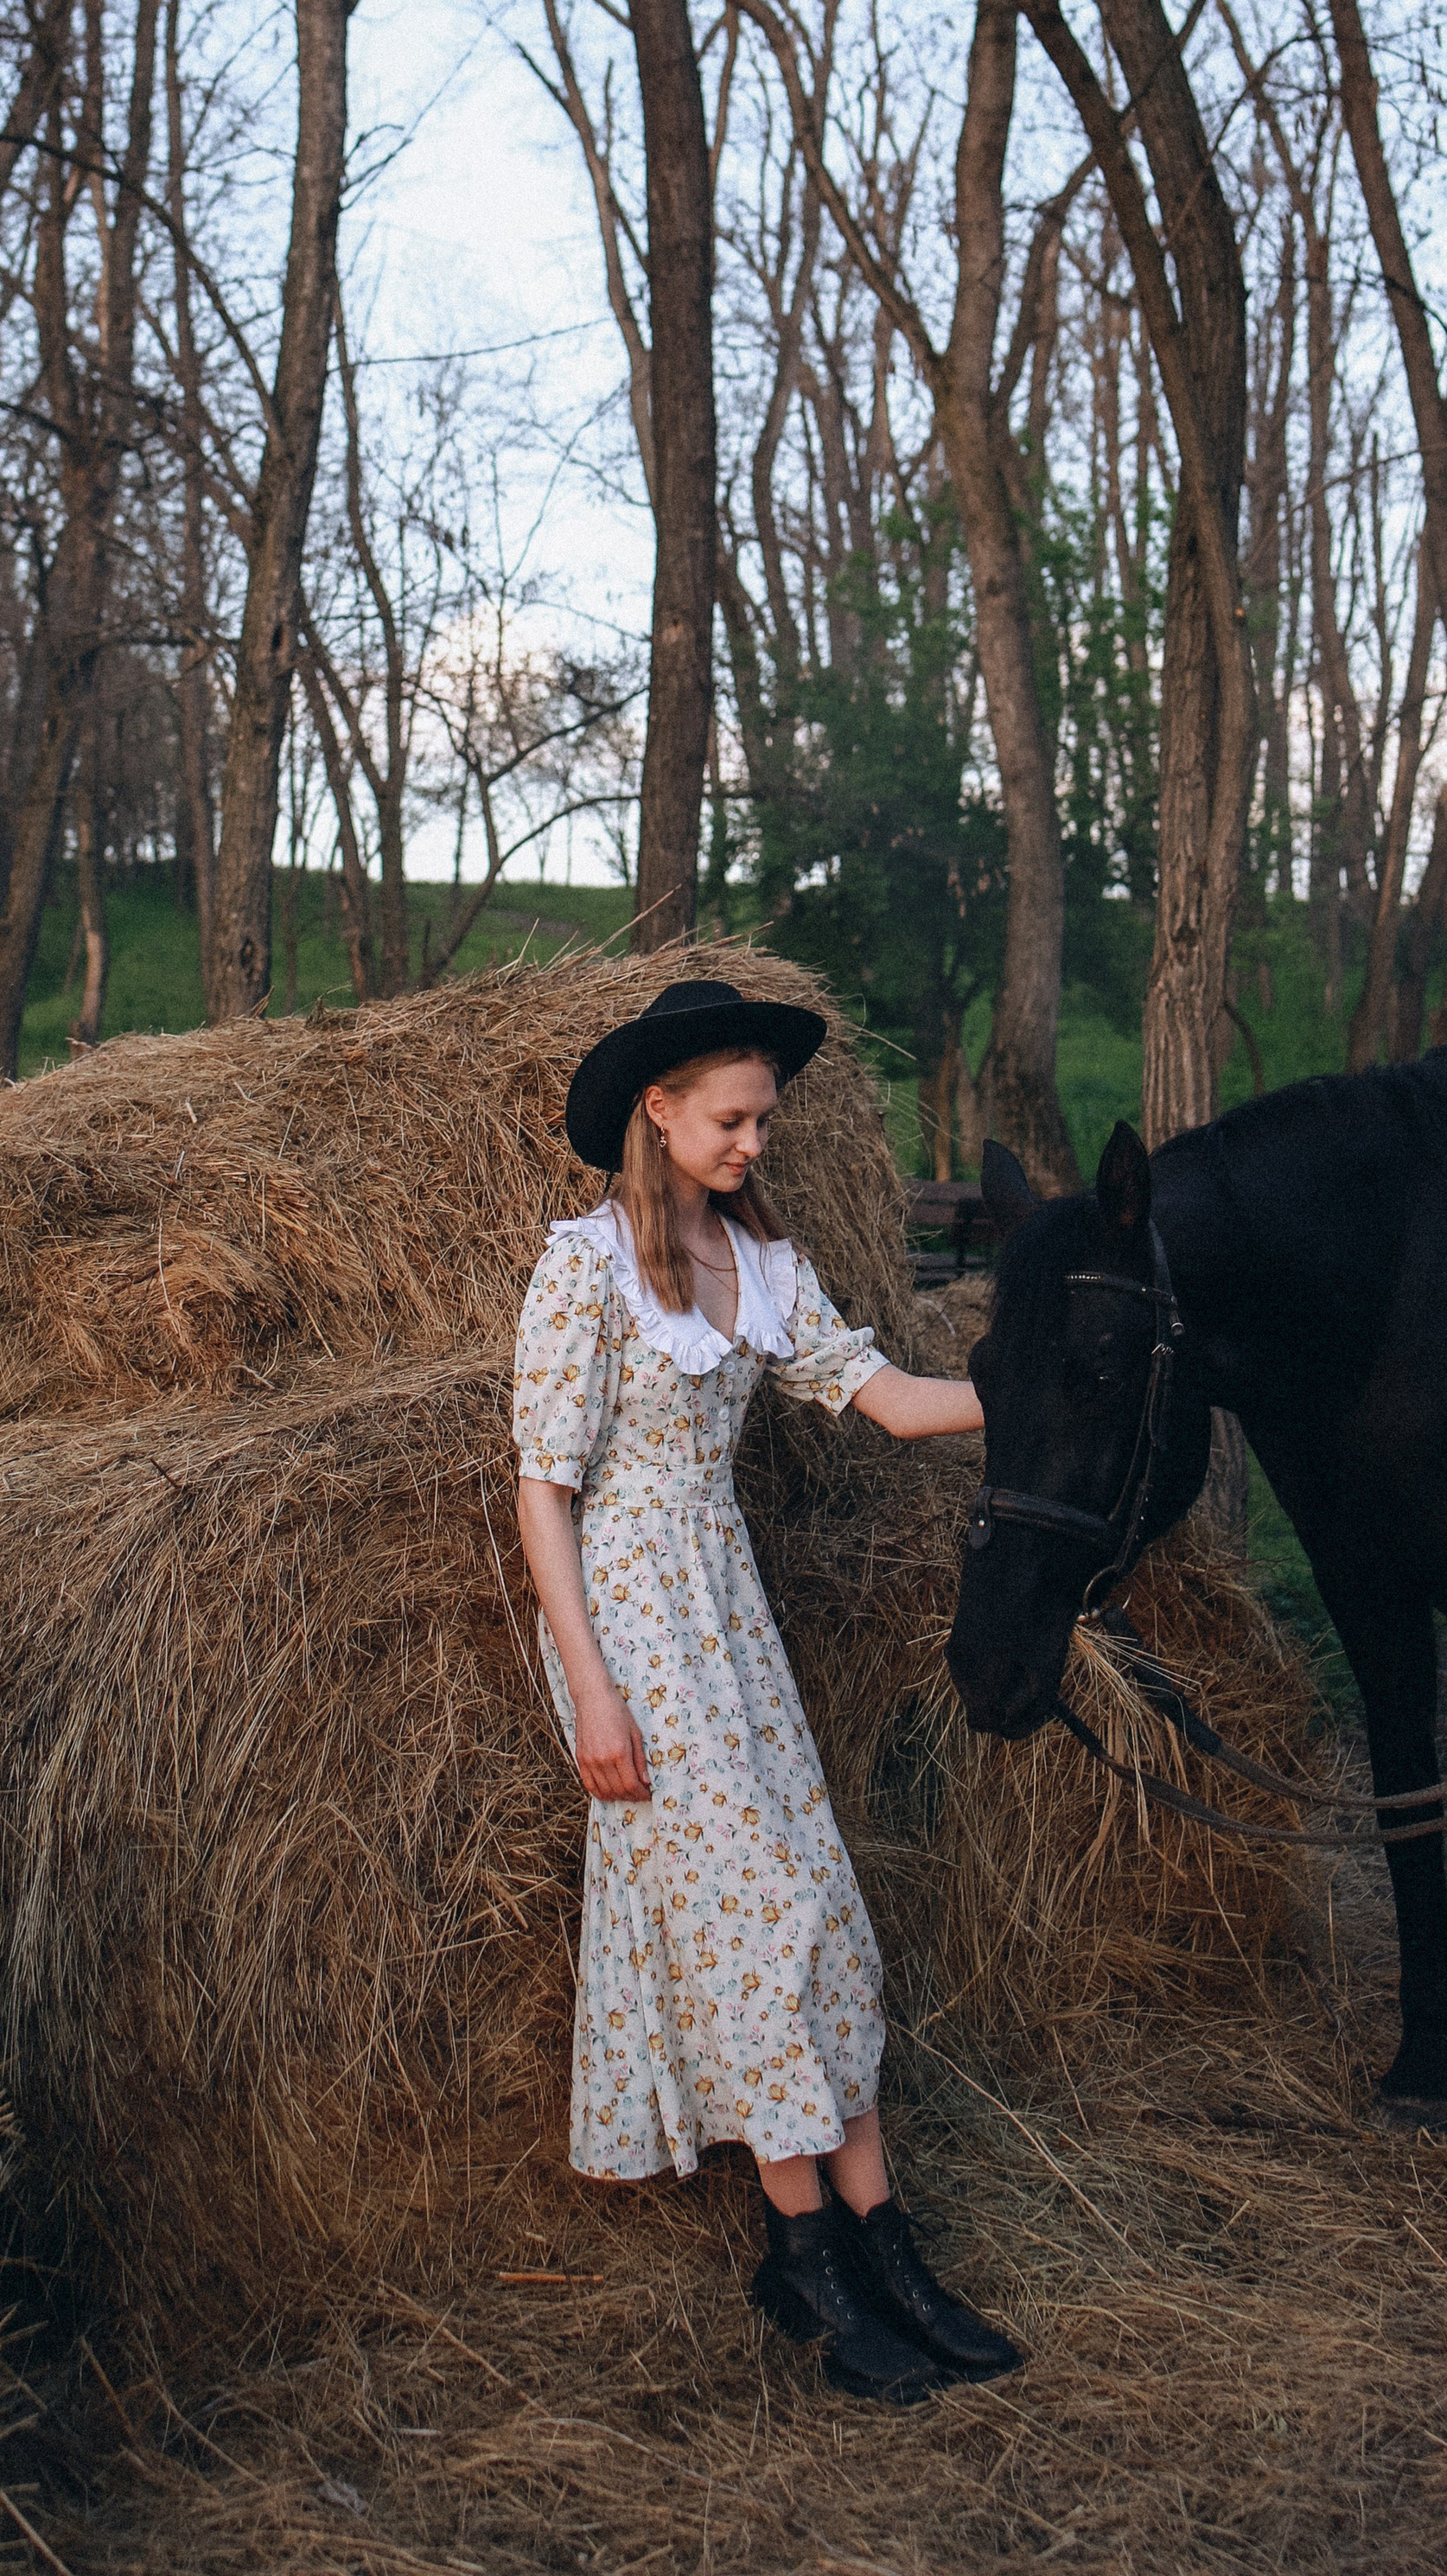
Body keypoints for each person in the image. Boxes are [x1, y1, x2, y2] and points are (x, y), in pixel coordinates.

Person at [513, 977, 1022, 2405]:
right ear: (659, 1110)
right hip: (631, 1620)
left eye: (762, 1121)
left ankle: (883, 2242)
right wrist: (593, 1693)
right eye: (731, 1119)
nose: (752, 1142)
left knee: (822, 1910)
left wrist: (1035, 1387)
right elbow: (543, 1492)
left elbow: (894, 1400)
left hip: (725, 1610)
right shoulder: (586, 1266)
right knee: (755, 1920)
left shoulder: (761, 1260)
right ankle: (808, 2254)